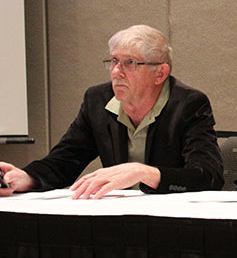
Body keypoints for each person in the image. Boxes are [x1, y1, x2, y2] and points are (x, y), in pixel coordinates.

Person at [0, 25, 223, 199]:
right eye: (114, 61)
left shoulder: (188, 104)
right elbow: (64, 161)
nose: (116, 71)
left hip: (173, 224)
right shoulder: (97, 100)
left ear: (160, 73)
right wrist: (26, 178)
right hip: (118, 219)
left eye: (130, 63)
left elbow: (207, 176)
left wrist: (143, 172)